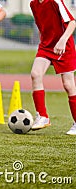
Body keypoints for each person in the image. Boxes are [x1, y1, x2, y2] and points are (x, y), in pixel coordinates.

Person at [29, 0, 76, 135]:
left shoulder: (55, 2)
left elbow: (72, 22)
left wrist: (62, 40)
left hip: (64, 47)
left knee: (68, 85)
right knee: (35, 74)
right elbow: (41, 26)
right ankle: (43, 116)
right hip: (46, 46)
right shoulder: (33, 4)